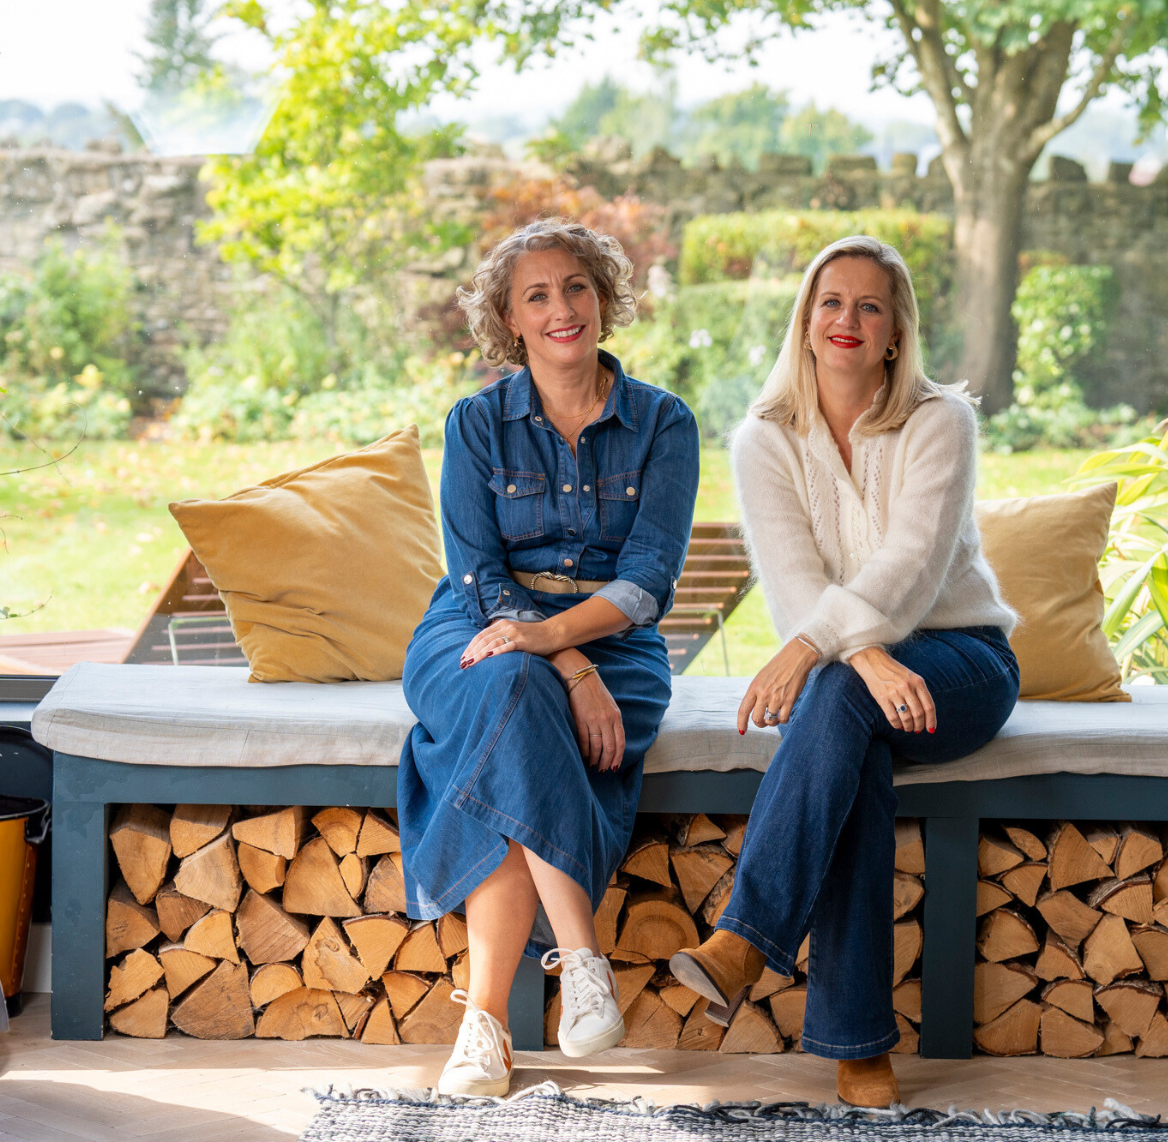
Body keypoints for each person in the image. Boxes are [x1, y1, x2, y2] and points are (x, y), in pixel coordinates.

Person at [669, 235, 1021, 1107]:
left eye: (870, 306)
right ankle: (857, 1047)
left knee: (833, 689)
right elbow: (794, 582)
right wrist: (859, 656)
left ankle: (744, 941)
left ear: (897, 332)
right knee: (849, 736)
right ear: (805, 320)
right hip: (855, 683)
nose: (848, 320)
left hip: (962, 660)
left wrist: (818, 649)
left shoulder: (941, 421)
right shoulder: (764, 439)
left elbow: (912, 568)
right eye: (831, 302)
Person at [399, 218, 698, 1096]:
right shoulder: (477, 422)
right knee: (514, 683)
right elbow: (477, 573)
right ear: (511, 320)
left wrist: (565, 644)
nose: (561, 308)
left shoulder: (663, 422)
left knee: (509, 711)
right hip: (477, 623)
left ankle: (484, 1026)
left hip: (617, 639)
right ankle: (582, 957)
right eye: (537, 295)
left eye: (576, 287)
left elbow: (648, 580)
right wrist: (567, 663)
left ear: (603, 299)